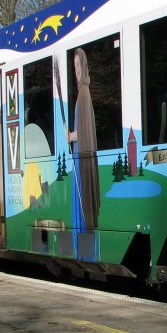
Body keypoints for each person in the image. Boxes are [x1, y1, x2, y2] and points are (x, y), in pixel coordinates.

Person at [68, 47, 100, 230]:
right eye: (74, 66)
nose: (77, 70)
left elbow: (84, 131)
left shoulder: (83, 94)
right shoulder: (84, 92)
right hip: (81, 155)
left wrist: (69, 136)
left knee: (81, 205)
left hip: (81, 156)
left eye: (79, 64)